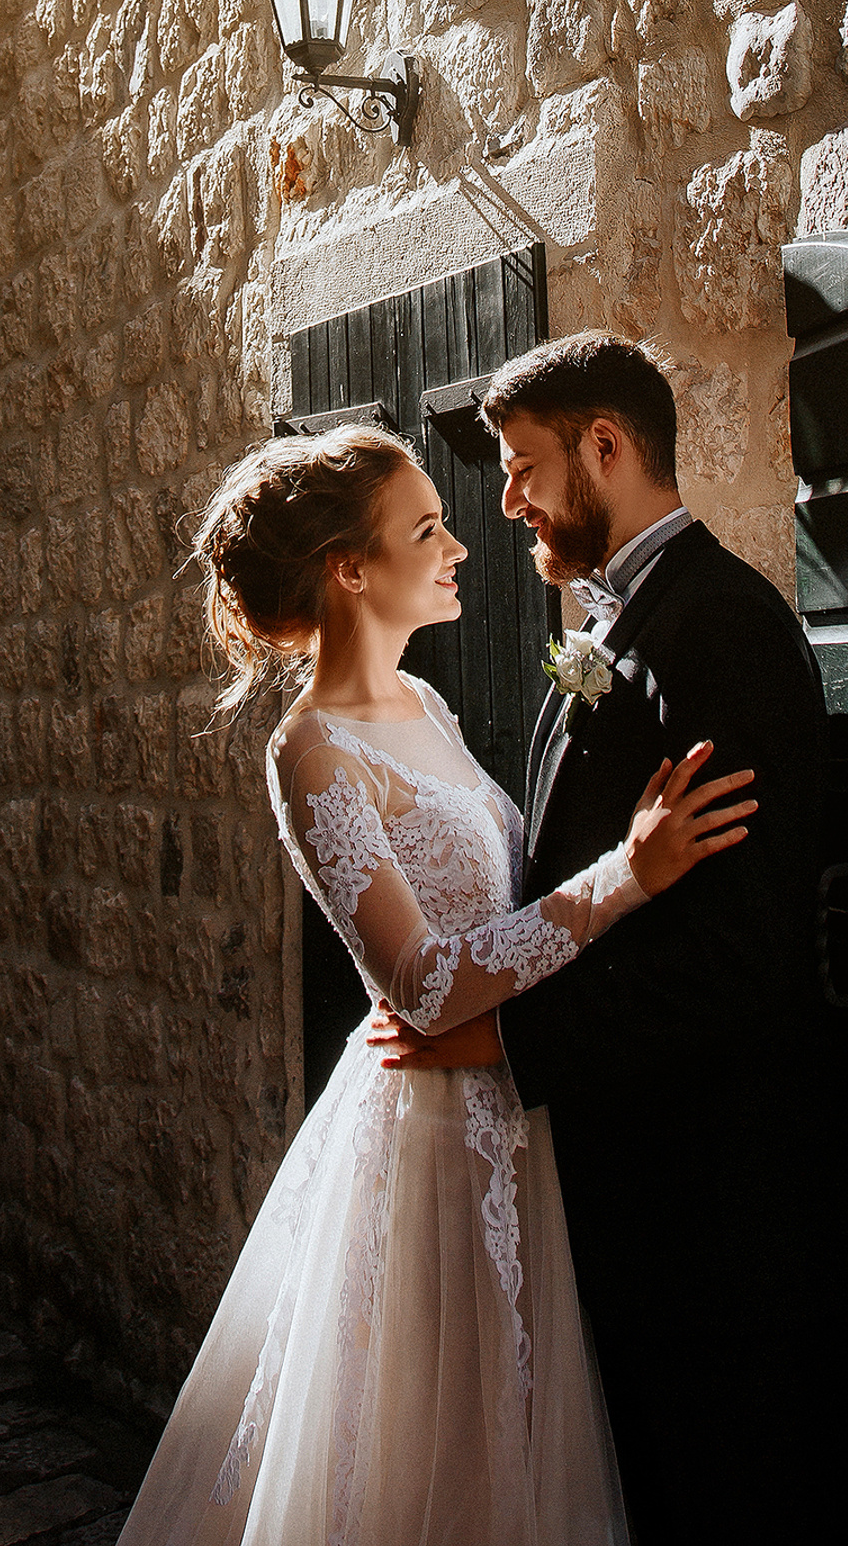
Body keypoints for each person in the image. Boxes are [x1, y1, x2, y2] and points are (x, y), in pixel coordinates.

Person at [118, 421, 757, 1546]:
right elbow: (418, 983)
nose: (459, 545)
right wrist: (630, 875)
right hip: (429, 1142)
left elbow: (502, 915)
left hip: (517, 1119)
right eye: (426, 529)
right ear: (349, 569)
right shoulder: (312, 749)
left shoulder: (427, 710)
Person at [371, 334, 839, 1545]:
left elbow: (745, 952)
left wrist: (512, 1041)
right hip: (627, 1160)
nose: (511, 497)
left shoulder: (717, 628)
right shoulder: (617, 620)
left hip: (700, 1180)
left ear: (609, 447)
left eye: (525, 466)